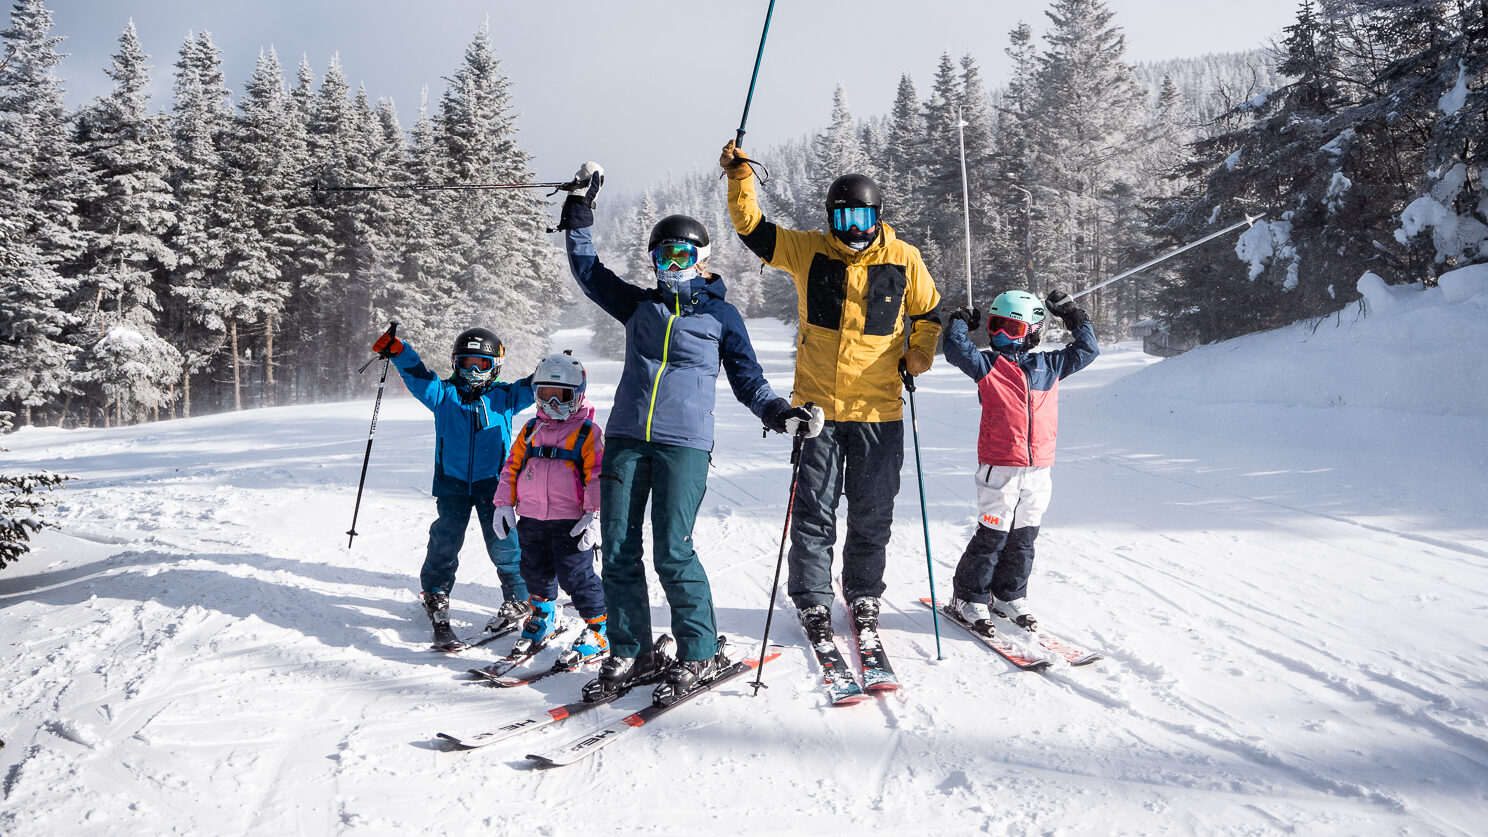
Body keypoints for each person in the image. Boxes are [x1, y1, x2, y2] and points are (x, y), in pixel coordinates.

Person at [555, 161, 815, 703]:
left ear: (701, 261)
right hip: (627, 438)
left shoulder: (722, 317)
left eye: (683, 256)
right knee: (622, 549)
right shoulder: (639, 306)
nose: (672, 265)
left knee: (673, 549)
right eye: (662, 256)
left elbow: (750, 380)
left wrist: (781, 414)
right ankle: (633, 650)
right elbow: (587, 269)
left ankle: (700, 652)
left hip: (685, 446)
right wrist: (580, 206)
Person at [720, 140, 943, 646]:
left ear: (878, 215)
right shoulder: (807, 250)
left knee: (873, 508)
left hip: (879, 409)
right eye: (842, 219)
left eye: (862, 218)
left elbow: (928, 314)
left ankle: (863, 592)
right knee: (814, 510)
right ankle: (813, 598)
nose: (853, 230)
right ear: (830, 220)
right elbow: (752, 229)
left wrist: (919, 355)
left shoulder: (905, 259)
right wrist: (739, 178)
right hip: (816, 408)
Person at [940, 289, 1099, 632]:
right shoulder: (988, 365)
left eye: (1010, 329)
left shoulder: (1050, 365)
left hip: (1039, 467)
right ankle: (969, 596)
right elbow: (955, 349)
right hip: (1000, 465)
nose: (999, 336)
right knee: (993, 534)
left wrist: (1072, 315)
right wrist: (958, 323)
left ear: (1034, 332)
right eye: (995, 326)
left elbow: (1088, 349)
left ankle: (1008, 593)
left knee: (1025, 535)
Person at [371, 326, 534, 641]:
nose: (474, 371)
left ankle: (518, 595)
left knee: (505, 543)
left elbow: (536, 385)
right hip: (452, 483)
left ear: (496, 366)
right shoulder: (443, 394)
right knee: (445, 541)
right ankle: (435, 591)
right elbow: (418, 375)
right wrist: (399, 350)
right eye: (467, 362)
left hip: (495, 486)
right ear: (455, 363)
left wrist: (553, 368)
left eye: (482, 364)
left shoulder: (506, 396)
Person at [491, 351, 608, 664]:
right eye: (546, 396)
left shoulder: (587, 433)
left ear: (578, 395)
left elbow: (597, 475)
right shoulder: (531, 429)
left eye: (561, 397)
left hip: (570, 521)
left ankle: (599, 627)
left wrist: (593, 514)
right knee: (535, 571)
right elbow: (511, 466)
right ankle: (542, 617)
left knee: (577, 577)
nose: (552, 404)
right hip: (531, 517)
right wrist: (503, 503)